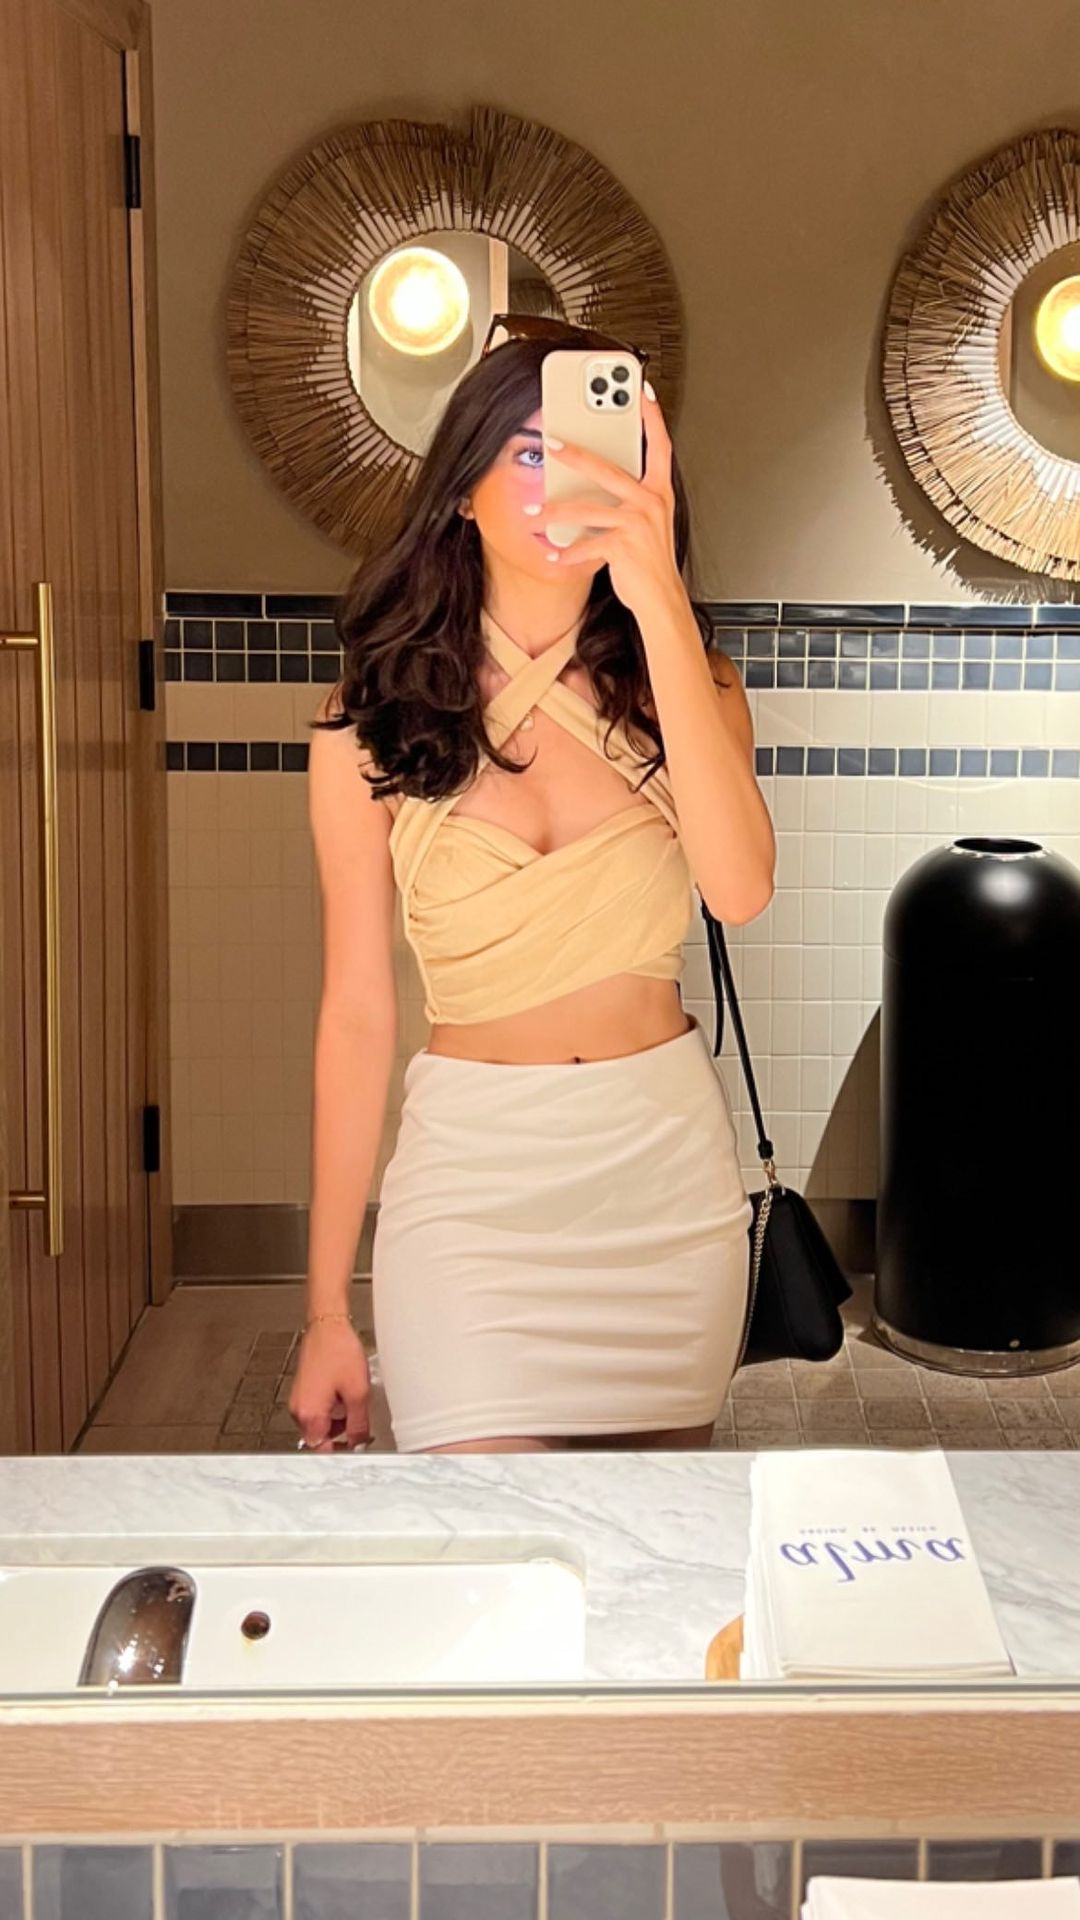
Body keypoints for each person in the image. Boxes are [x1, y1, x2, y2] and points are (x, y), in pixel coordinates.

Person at [290, 319, 776, 1456]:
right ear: (460, 492)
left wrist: (657, 598)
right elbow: (356, 1011)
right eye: (526, 450)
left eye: (596, 450)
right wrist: (325, 1313)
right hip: (473, 1195)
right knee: (492, 1543)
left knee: (649, 1553)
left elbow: (740, 890)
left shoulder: (688, 685)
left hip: (662, 1189)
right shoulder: (369, 720)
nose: (564, 479)